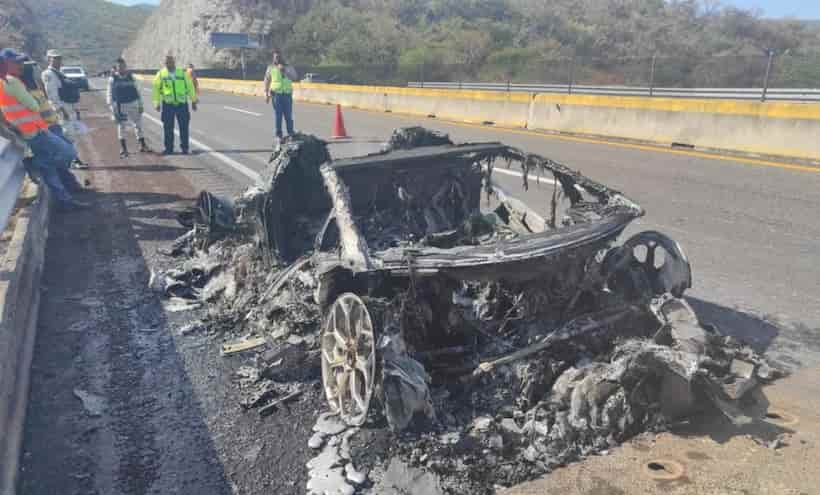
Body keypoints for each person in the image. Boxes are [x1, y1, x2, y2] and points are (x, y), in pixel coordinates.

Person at [0, 48, 86, 211]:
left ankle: (65, 201)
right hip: (37, 131)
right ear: (6, 64)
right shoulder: (12, 82)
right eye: (17, 62)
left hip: (30, 131)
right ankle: (35, 164)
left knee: (50, 171)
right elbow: (34, 105)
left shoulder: (5, 82)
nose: (21, 65)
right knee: (69, 153)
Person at [20, 59, 84, 192]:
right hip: (45, 129)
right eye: (32, 69)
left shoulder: (35, 86)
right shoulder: (24, 90)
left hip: (53, 124)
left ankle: (70, 185)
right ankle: (36, 164)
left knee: (64, 156)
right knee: (67, 154)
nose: (35, 71)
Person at [41, 48, 89, 169]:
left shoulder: (59, 72)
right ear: (49, 59)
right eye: (55, 58)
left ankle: (73, 160)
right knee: (68, 135)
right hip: (62, 108)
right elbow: (52, 95)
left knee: (72, 134)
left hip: (68, 106)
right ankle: (73, 161)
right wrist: (61, 110)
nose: (58, 60)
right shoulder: (49, 74)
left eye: (59, 58)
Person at [152, 54, 197, 155]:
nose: (168, 64)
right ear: (164, 63)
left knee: (184, 127)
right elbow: (155, 89)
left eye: (170, 62)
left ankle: (184, 148)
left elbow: (190, 87)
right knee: (168, 128)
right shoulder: (160, 74)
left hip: (182, 104)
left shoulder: (182, 73)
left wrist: (193, 101)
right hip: (168, 105)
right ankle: (169, 148)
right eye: (166, 62)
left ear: (174, 62)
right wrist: (156, 103)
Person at [108, 57, 149, 158]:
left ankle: (143, 145)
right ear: (116, 68)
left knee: (138, 124)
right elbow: (109, 93)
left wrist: (140, 104)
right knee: (121, 127)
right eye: (119, 66)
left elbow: (138, 91)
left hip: (133, 103)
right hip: (120, 105)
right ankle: (123, 149)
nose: (121, 68)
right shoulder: (113, 78)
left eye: (123, 66)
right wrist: (112, 107)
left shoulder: (131, 77)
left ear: (125, 66)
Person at [263, 51, 298, 146]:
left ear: (282, 57)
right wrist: (266, 93)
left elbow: (295, 77)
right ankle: (279, 135)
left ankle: (291, 133)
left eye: (278, 57)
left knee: (288, 116)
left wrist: (285, 71)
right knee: (278, 116)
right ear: (273, 58)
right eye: (275, 57)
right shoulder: (270, 68)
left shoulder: (288, 67)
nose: (277, 59)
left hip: (287, 94)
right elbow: (266, 80)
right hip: (276, 95)